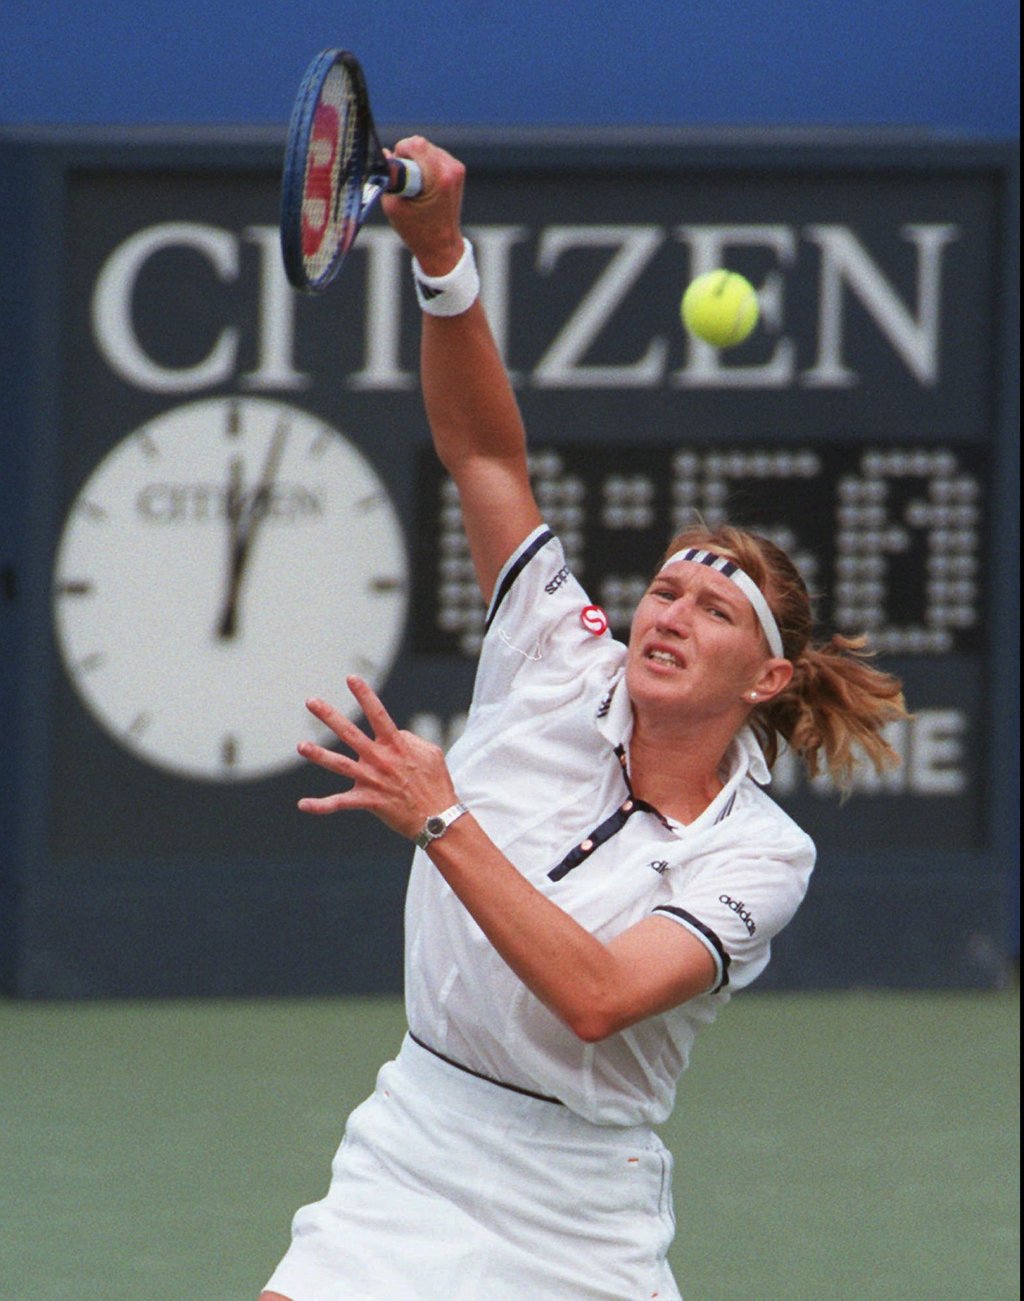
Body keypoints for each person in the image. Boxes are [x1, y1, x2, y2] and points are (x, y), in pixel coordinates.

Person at [260, 137, 907, 1301]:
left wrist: (443, 815)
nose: (671, 612)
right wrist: (444, 260)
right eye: (666, 587)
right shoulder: (554, 656)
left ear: (764, 679)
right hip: (416, 1139)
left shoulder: (761, 855)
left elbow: (599, 998)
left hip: (578, 1202)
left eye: (714, 611)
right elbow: (482, 451)